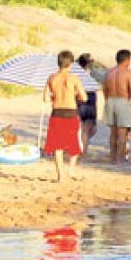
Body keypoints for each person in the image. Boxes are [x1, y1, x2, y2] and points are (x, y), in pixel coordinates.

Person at [43, 51, 87, 182]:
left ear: (59, 63)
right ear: (71, 63)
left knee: (57, 146)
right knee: (74, 143)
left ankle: (60, 176)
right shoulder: (74, 78)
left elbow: (45, 98)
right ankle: (71, 170)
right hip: (71, 113)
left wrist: (55, 96)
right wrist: (74, 95)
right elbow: (84, 97)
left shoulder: (51, 78)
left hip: (57, 113)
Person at [102, 49, 131, 165]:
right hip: (123, 101)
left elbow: (105, 89)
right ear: (127, 60)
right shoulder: (128, 73)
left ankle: (112, 158)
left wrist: (108, 101)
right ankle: (119, 159)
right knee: (122, 133)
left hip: (110, 101)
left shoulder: (109, 72)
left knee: (113, 132)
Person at [76, 53, 99, 150]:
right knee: (87, 129)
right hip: (86, 101)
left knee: (92, 129)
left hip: (88, 101)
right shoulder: (82, 74)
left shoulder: (84, 73)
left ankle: (82, 144)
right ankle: (83, 150)